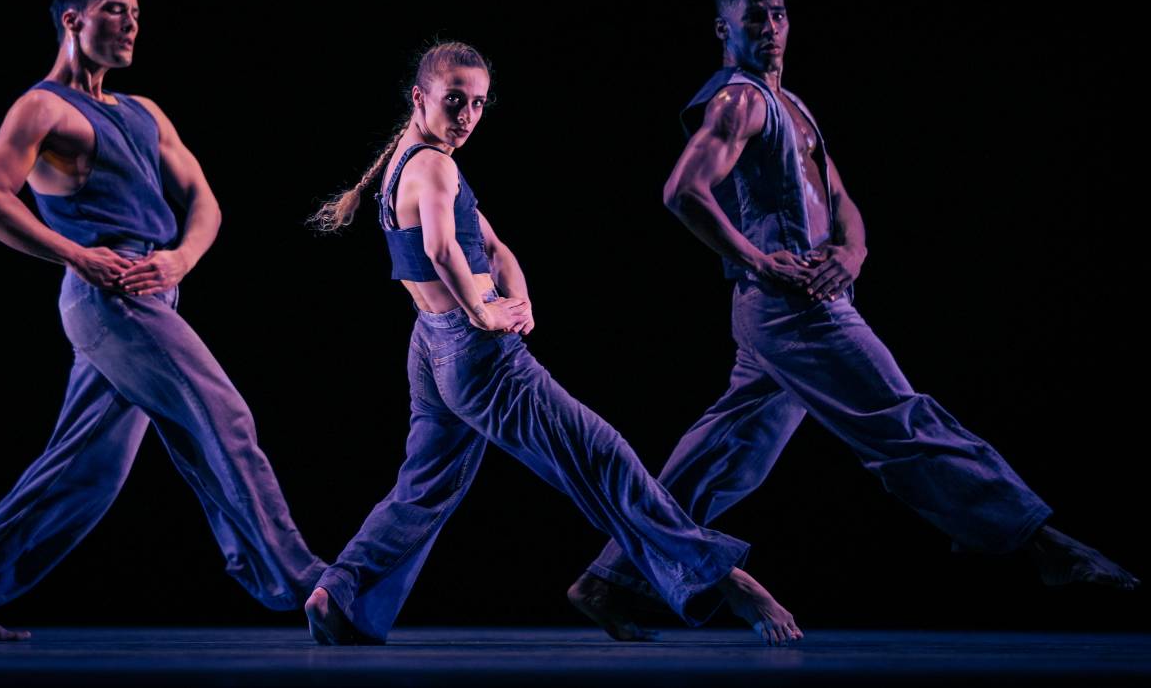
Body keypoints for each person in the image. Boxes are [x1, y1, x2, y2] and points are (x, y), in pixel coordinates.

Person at [568, 0, 1140, 639]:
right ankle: (1036, 540)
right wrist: (757, 259)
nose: (772, 28)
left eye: (779, 14)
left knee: (726, 455)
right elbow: (681, 192)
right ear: (724, 30)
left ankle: (610, 578)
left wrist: (853, 250)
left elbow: (841, 200)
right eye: (754, 18)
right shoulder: (741, 99)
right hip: (794, 308)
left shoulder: (794, 107)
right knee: (900, 419)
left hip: (787, 309)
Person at [304, 41, 803, 646]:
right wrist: (484, 313)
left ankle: (339, 589)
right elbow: (440, 249)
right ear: (420, 97)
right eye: (454, 101)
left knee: (425, 485)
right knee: (604, 459)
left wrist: (520, 297)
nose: (467, 115)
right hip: (474, 355)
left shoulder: (409, 162)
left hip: (432, 352)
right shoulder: (433, 167)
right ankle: (726, 581)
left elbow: (490, 246)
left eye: (479, 104)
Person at [0, 0, 325, 640]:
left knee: (90, 468)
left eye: (135, 12)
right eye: (114, 9)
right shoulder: (43, 106)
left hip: (156, 294)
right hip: (108, 300)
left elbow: (204, 200)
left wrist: (182, 256)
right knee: (222, 415)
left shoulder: (143, 112)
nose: (131, 21)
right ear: (72, 21)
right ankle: (308, 581)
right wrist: (75, 253)